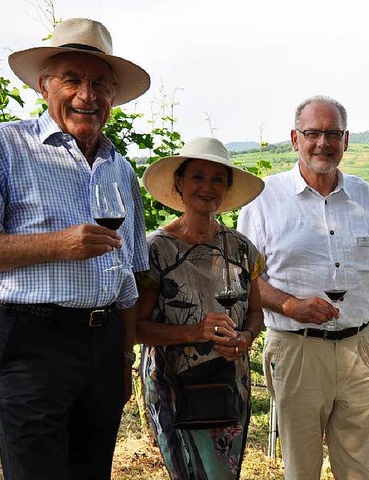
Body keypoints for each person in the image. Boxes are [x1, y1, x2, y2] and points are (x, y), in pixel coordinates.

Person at [0, 18, 150, 480]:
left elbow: (132, 271)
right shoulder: (0, 145)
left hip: (105, 341)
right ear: (44, 86)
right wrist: (58, 244)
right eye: (71, 79)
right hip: (33, 341)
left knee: (92, 471)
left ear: (113, 94)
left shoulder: (121, 169)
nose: (86, 95)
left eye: (99, 83)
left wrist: (124, 354)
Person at [237, 95, 369, 479]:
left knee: (358, 469)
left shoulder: (364, 195)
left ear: (347, 140)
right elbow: (245, 281)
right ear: (295, 138)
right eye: (312, 133)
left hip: (360, 350)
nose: (322, 143)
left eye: (332, 133)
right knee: (302, 469)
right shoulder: (263, 199)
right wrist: (290, 305)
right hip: (297, 350)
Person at [136, 137, 265, 479]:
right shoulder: (156, 251)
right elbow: (136, 327)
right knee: (188, 471)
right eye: (197, 177)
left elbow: (256, 313)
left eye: (217, 179)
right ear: (178, 183)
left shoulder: (240, 249)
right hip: (174, 386)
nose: (207, 187)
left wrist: (246, 338)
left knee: (225, 473)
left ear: (227, 189)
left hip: (229, 382)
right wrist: (194, 332)